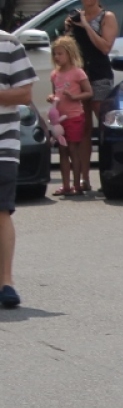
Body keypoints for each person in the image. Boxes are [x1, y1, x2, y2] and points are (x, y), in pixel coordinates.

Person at [63, 0, 117, 193]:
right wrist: (70, 28)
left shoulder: (107, 16)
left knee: (103, 127)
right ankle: (84, 179)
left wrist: (86, 25)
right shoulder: (76, 17)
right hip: (79, 77)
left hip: (99, 75)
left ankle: (107, 175)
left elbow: (105, 47)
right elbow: (69, 49)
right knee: (83, 128)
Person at [0, 27, 36, 309]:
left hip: (2, 145)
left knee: (1, 211)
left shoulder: (8, 42)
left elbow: (24, 93)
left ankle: (6, 282)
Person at [46, 36, 92, 197]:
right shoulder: (54, 74)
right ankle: (66, 186)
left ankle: (77, 185)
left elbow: (88, 92)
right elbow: (55, 92)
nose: (57, 57)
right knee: (62, 151)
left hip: (74, 116)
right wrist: (51, 98)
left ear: (70, 54)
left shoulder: (78, 73)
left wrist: (74, 97)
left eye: (60, 54)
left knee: (73, 149)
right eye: (55, 54)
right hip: (59, 119)